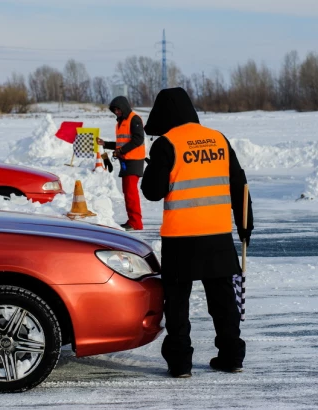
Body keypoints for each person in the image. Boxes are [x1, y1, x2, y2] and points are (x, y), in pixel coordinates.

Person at [141, 87, 253, 378]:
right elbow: (239, 186)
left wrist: (153, 168)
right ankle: (231, 357)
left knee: (177, 306)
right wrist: (244, 227)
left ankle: (180, 364)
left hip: (181, 239)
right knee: (224, 303)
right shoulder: (219, 139)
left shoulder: (167, 144)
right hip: (217, 237)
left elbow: (153, 192)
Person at [97, 96, 146, 231]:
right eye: (115, 110)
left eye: (118, 109)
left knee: (131, 193)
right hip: (126, 160)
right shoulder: (121, 122)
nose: (117, 112)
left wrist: (121, 151)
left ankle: (136, 223)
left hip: (134, 161)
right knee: (127, 192)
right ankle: (132, 220)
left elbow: (138, 139)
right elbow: (121, 143)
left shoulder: (134, 119)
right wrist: (105, 144)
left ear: (124, 107)